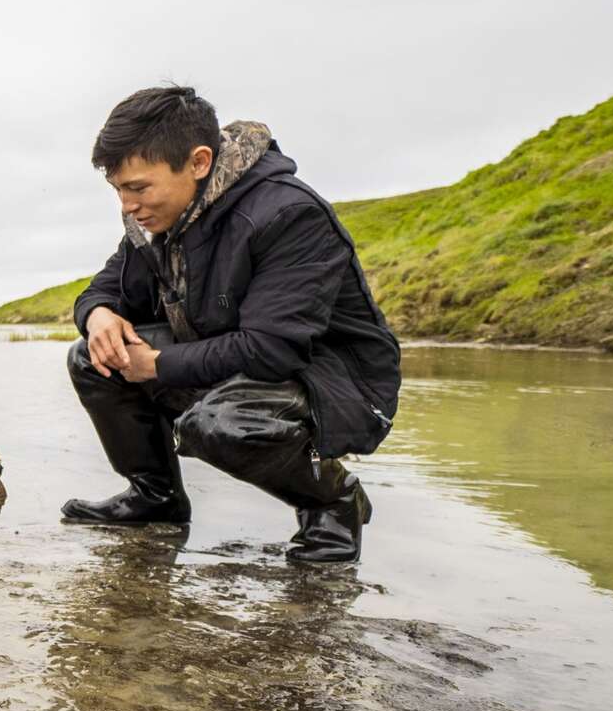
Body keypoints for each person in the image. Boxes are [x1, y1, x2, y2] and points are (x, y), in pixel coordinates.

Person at [62, 86, 401, 563]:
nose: (127, 205)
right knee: (92, 356)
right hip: (234, 358)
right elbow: (104, 289)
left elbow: (272, 349)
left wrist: (157, 364)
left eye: (138, 187)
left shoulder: (288, 213)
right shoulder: (156, 221)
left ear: (198, 162)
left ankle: (333, 502)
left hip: (330, 382)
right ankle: (156, 497)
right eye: (118, 189)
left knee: (222, 425)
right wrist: (97, 316)